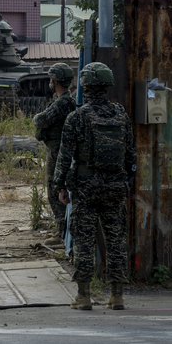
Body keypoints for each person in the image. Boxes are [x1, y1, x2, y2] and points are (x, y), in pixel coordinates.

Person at [53, 62, 136, 311]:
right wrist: (125, 182)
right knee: (115, 240)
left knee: (84, 241)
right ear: (107, 85)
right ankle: (117, 296)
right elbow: (131, 156)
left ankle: (84, 296)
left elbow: (64, 157)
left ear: (85, 85)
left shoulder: (76, 117)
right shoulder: (121, 115)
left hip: (86, 189)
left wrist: (60, 186)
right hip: (115, 188)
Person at [32, 62, 77, 246]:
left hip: (57, 149)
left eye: (51, 79)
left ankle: (61, 233)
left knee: (55, 187)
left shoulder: (63, 102)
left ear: (55, 81)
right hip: (59, 148)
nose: (50, 82)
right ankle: (62, 229)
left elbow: (40, 120)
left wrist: (36, 118)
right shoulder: (67, 100)